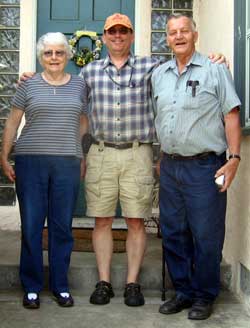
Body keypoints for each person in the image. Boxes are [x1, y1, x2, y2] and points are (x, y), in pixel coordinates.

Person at [19, 13, 226, 308]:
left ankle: (132, 283)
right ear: (103, 37)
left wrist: (216, 59)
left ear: (131, 36)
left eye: (123, 31)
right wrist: (29, 77)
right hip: (101, 152)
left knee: (135, 220)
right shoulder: (88, 73)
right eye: (112, 31)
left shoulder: (152, 67)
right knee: (102, 220)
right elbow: (66, 96)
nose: (117, 35)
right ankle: (103, 282)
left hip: (137, 152)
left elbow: (182, 73)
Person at [151, 13, 241, 320]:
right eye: (173, 32)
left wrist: (234, 158)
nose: (178, 36)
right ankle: (184, 292)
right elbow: (161, 120)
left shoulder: (215, 70)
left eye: (184, 31)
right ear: (167, 39)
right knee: (174, 233)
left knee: (206, 234)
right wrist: (162, 158)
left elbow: (231, 115)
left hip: (206, 167)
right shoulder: (159, 74)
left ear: (195, 35)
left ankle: (204, 295)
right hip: (171, 167)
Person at [0, 32, 88, 309]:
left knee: (62, 227)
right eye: (48, 53)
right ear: (41, 57)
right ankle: (32, 287)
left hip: (67, 163)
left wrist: (77, 149)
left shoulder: (79, 86)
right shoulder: (28, 85)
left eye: (59, 53)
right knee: (32, 226)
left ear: (67, 56)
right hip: (30, 161)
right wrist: (4, 156)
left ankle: (61, 286)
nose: (53, 58)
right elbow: (13, 123)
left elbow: (83, 123)